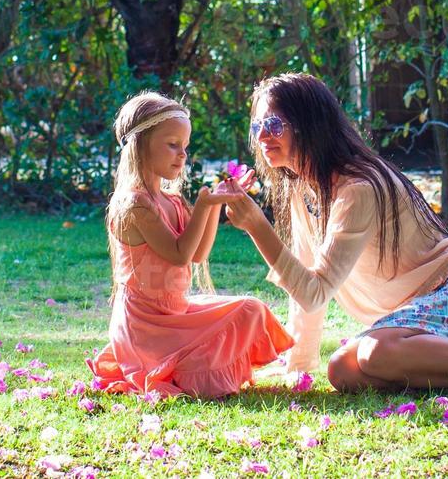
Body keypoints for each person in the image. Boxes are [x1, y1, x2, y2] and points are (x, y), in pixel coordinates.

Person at [220, 73, 448, 394]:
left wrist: (256, 225)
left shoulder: (357, 187)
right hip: (415, 325)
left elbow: (315, 292)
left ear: (309, 125)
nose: (263, 137)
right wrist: (298, 366)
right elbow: (305, 278)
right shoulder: (304, 188)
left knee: (374, 353)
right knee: (343, 370)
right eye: (258, 127)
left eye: (274, 125)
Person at [87, 91, 294, 397]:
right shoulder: (134, 204)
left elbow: (198, 253)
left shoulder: (169, 199)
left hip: (175, 314)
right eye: (172, 145)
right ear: (140, 146)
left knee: (251, 309)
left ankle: (191, 365)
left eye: (185, 146)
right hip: (147, 325)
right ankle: (175, 367)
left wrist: (212, 205)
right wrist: (203, 205)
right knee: (208, 352)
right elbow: (180, 254)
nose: (182, 155)